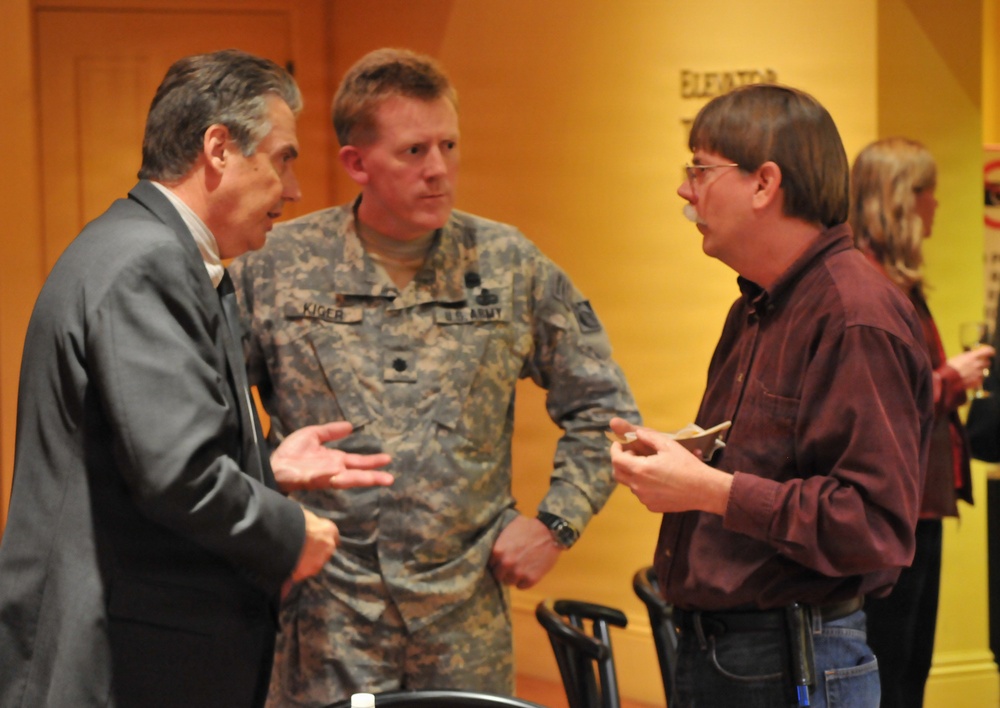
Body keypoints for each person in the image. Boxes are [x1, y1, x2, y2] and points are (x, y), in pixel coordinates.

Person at [228, 47, 640, 705]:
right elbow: (208, 417)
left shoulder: (506, 265)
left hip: (463, 618)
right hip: (327, 617)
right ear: (356, 163)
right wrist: (260, 535)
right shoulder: (276, 267)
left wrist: (555, 524)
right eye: (414, 151)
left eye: (449, 145)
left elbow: (605, 411)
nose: (439, 170)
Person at [0, 49, 394, 708]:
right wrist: (289, 532)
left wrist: (266, 466)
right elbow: (177, 475)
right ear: (218, 149)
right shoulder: (147, 262)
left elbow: (139, 450)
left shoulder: (143, 247)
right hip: (120, 661)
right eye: (283, 158)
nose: (295, 189)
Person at [609, 84, 934, 708]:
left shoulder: (853, 314)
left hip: (796, 658)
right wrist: (685, 462)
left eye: (700, 169)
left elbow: (873, 523)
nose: (684, 190)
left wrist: (708, 489)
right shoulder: (758, 305)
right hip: (738, 653)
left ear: (764, 184)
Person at [849, 137, 993, 708]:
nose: (937, 203)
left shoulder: (894, 282)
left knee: (910, 665)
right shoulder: (869, 287)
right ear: (903, 199)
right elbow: (878, 400)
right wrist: (950, 379)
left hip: (917, 502)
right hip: (893, 505)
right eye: (929, 191)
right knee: (891, 666)